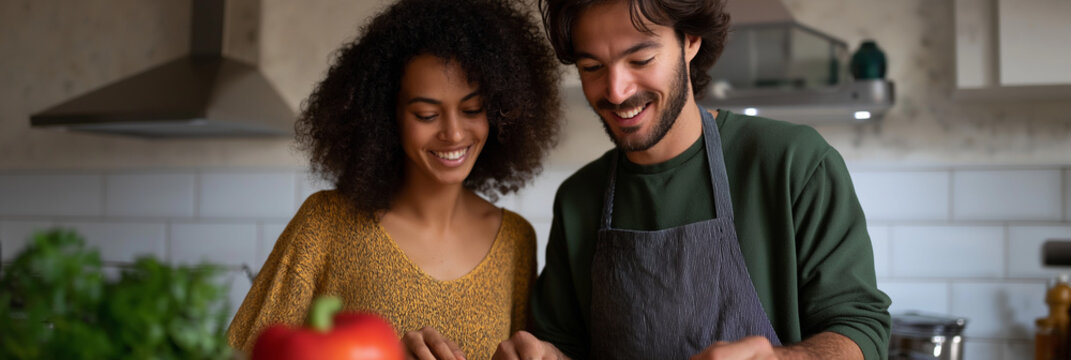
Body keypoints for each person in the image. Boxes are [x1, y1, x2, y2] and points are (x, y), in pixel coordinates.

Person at [492, 0, 891, 359]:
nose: (615, 91)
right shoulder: (578, 198)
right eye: (592, 67)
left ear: (690, 41)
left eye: (641, 59)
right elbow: (564, 346)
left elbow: (861, 329)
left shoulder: (793, 163)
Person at [226, 0, 561, 358]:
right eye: (427, 114)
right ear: (388, 116)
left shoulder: (514, 240)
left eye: (471, 110)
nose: (453, 132)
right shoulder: (326, 223)